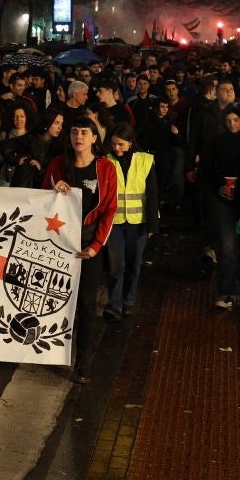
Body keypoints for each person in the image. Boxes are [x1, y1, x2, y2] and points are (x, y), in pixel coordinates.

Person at [44, 117, 119, 384]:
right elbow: (40, 203)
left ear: (94, 138)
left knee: (86, 304)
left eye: (84, 132)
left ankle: (82, 362)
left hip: (87, 246)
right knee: (57, 300)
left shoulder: (106, 168)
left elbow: (110, 209)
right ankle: (50, 352)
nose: (78, 137)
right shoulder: (56, 165)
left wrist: (96, 246)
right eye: (74, 131)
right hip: (59, 243)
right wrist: (53, 192)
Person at [103, 122, 158, 319]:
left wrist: (152, 224)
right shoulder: (106, 161)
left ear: (130, 143)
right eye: (114, 144)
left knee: (134, 264)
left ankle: (128, 300)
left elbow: (152, 193)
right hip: (114, 222)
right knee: (116, 264)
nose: (116, 148)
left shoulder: (145, 161)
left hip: (138, 222)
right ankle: (115, 303)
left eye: (120, 144)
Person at [204, 107, 240, 310]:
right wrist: (219, 186)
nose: (232, 124)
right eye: (228, 121)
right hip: (224, 201)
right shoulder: (218, 142)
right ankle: (227, 291)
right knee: (226, 247)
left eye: (236, 120)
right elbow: (208, 168)